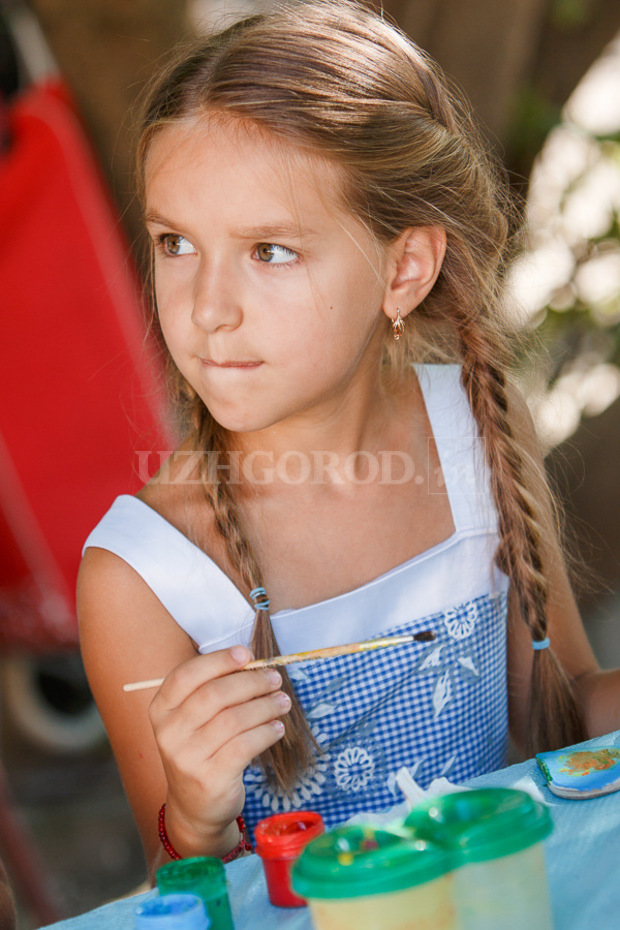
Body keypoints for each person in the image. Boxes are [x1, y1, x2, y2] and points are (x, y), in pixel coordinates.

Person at [77, 0, 618, 877]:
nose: (207, 308)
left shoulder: (478, 427)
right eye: (175, 242)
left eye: (271, 251)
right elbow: (177, 888)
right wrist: (194, 813)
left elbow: (563, 712)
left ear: (403, 268)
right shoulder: (145, 577)